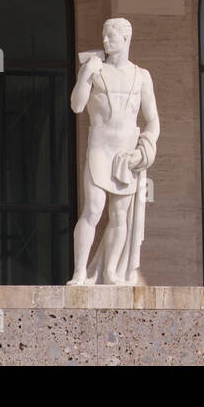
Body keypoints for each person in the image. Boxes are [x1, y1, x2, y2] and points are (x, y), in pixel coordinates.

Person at [66, 17, 159, 286]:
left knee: (120, 216)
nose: (105, 41)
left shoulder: (141, 76)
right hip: (100, 148)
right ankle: (80, 272)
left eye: (111, 37)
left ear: (125, 39)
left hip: (125, 154)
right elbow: (76, 105)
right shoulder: (96, 70)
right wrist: (85, 75)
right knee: (93, 209)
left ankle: (111, 272)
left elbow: (152, 119)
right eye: (104, 36)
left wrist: (144, 149)